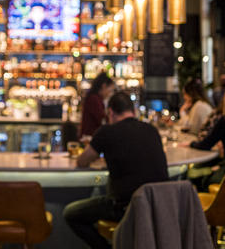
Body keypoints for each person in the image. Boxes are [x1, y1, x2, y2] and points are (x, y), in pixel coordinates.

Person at [64, 92, 169, 249]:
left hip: (125, 207)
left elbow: (82, 161)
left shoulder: (106, 132)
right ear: (133, 111)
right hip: (158, 206)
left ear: (111, 112)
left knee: (70, 213)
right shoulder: (151, 130)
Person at [79, 72, 116, 138]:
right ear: (104, 86)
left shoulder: (95, 98)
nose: (109, 94)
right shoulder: (94, 99)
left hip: (91, 136)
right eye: (110, 90)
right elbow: (102, 119)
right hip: (89, 137)